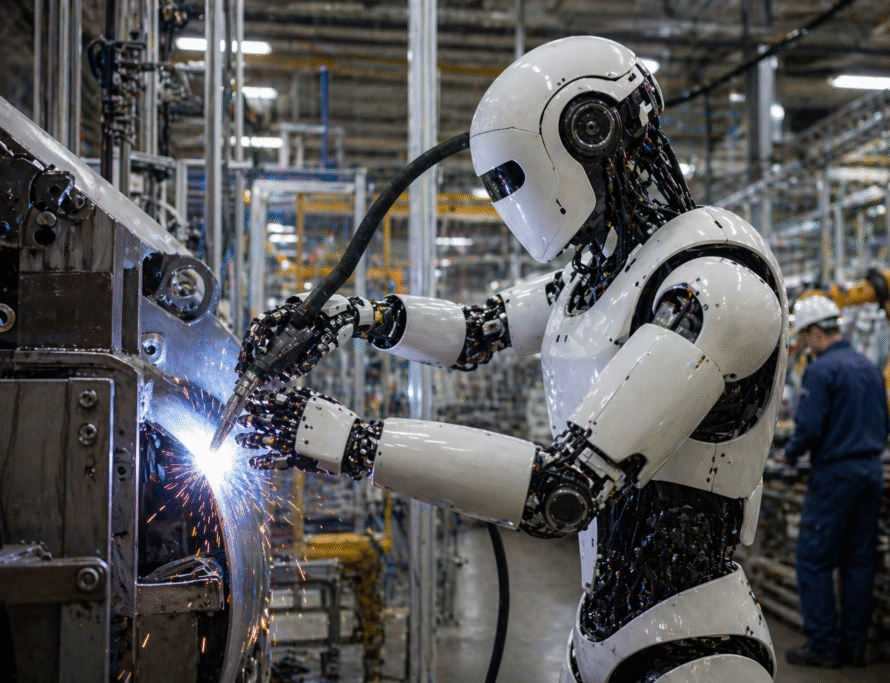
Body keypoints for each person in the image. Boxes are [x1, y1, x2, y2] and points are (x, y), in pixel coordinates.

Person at [234, 36, 787, 681]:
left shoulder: (717, 285)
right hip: (601, 638)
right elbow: (476, 331)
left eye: (510, 179)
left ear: (588, 129)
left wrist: (342, 441)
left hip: (699, 647)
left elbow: (565, 491)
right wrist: (347, 316)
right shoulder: (599, 276)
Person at [784, 295, 890, 668]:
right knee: (859, 562)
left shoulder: (821, 369)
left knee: (813, 560)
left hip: (835, 476)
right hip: (871, 473)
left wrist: (790, 453)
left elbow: (809, 429)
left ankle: (823, 645)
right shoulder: (869, 366)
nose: (803, 346)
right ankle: (854, 647)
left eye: (803, 337)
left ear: (816, 333)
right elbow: (886, 424)